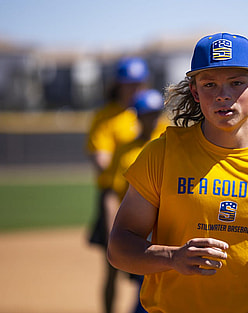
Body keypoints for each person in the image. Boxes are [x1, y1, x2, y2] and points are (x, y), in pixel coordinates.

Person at [107, 32, 248, 313]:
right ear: (195, 92)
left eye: (236, 83)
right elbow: (118, 248)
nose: (223, 95)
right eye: (209, 84)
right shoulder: (162, 154)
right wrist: (173, 257)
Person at [86, 56, 150, 313]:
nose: (132, 88)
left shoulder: (150, 112)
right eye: (127, 83)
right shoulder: (105, 116)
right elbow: (100, 159)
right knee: (112, 264)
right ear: (118, 85)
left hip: (148, 197)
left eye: (137, 83)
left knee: (149, 261)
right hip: (114, 194)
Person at [103, 89, 165, 313]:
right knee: (136, 280)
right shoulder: (125, 151)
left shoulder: (168, 145)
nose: (153, 118)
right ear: (137, 116)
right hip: (133, 224)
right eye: (147, 113)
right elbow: (111, 192)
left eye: (156, 113)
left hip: (161, 226)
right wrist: (112, 228)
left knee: (149, 284)